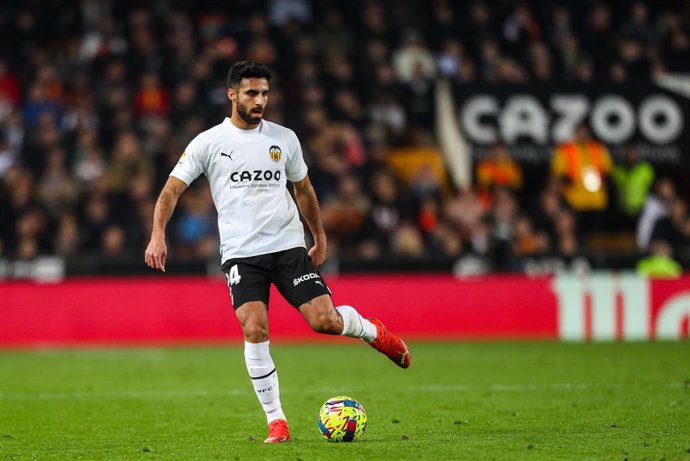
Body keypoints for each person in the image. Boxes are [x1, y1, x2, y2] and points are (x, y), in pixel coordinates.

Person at [144, 61, 411, 443]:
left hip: (287, 247)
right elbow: (170, 191)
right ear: (232, 95)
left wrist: (318, 235)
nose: (260, 101)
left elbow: (304, 190)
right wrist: (158, 235)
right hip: (240, 253)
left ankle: (373, 332)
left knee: (325, 322)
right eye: (252, 93)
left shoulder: (284, 139)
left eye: (265, 93)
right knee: (254, 327)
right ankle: (277, 421)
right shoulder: (208, 142)